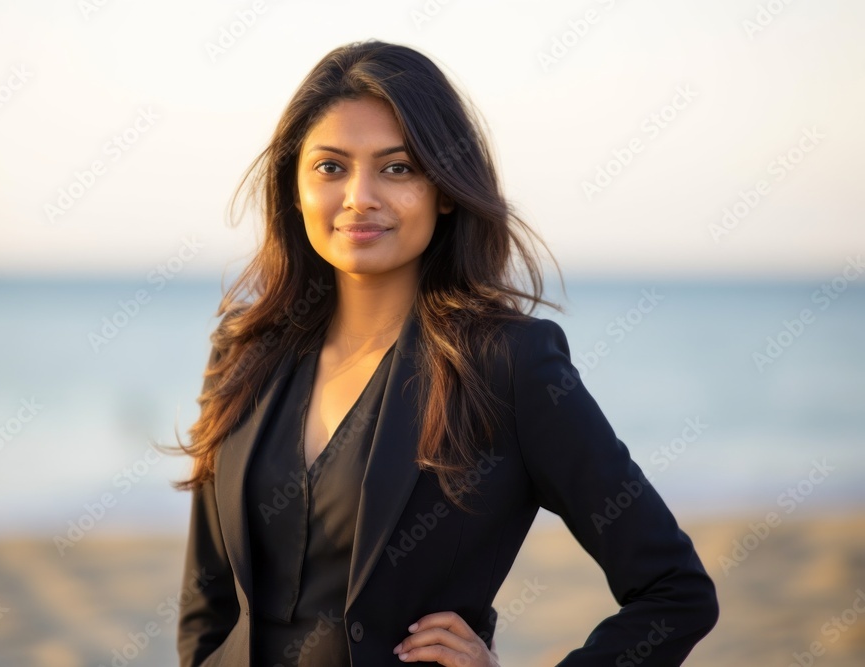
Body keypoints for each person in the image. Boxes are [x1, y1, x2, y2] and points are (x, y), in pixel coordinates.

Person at [169, 39, 718, 666]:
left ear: (447, 189)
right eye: (330, 167)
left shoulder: (509, 366)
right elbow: (207, 605)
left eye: (398, 168)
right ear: (294, 187)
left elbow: (675, 594)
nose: (360, 197)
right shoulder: (243, 352)